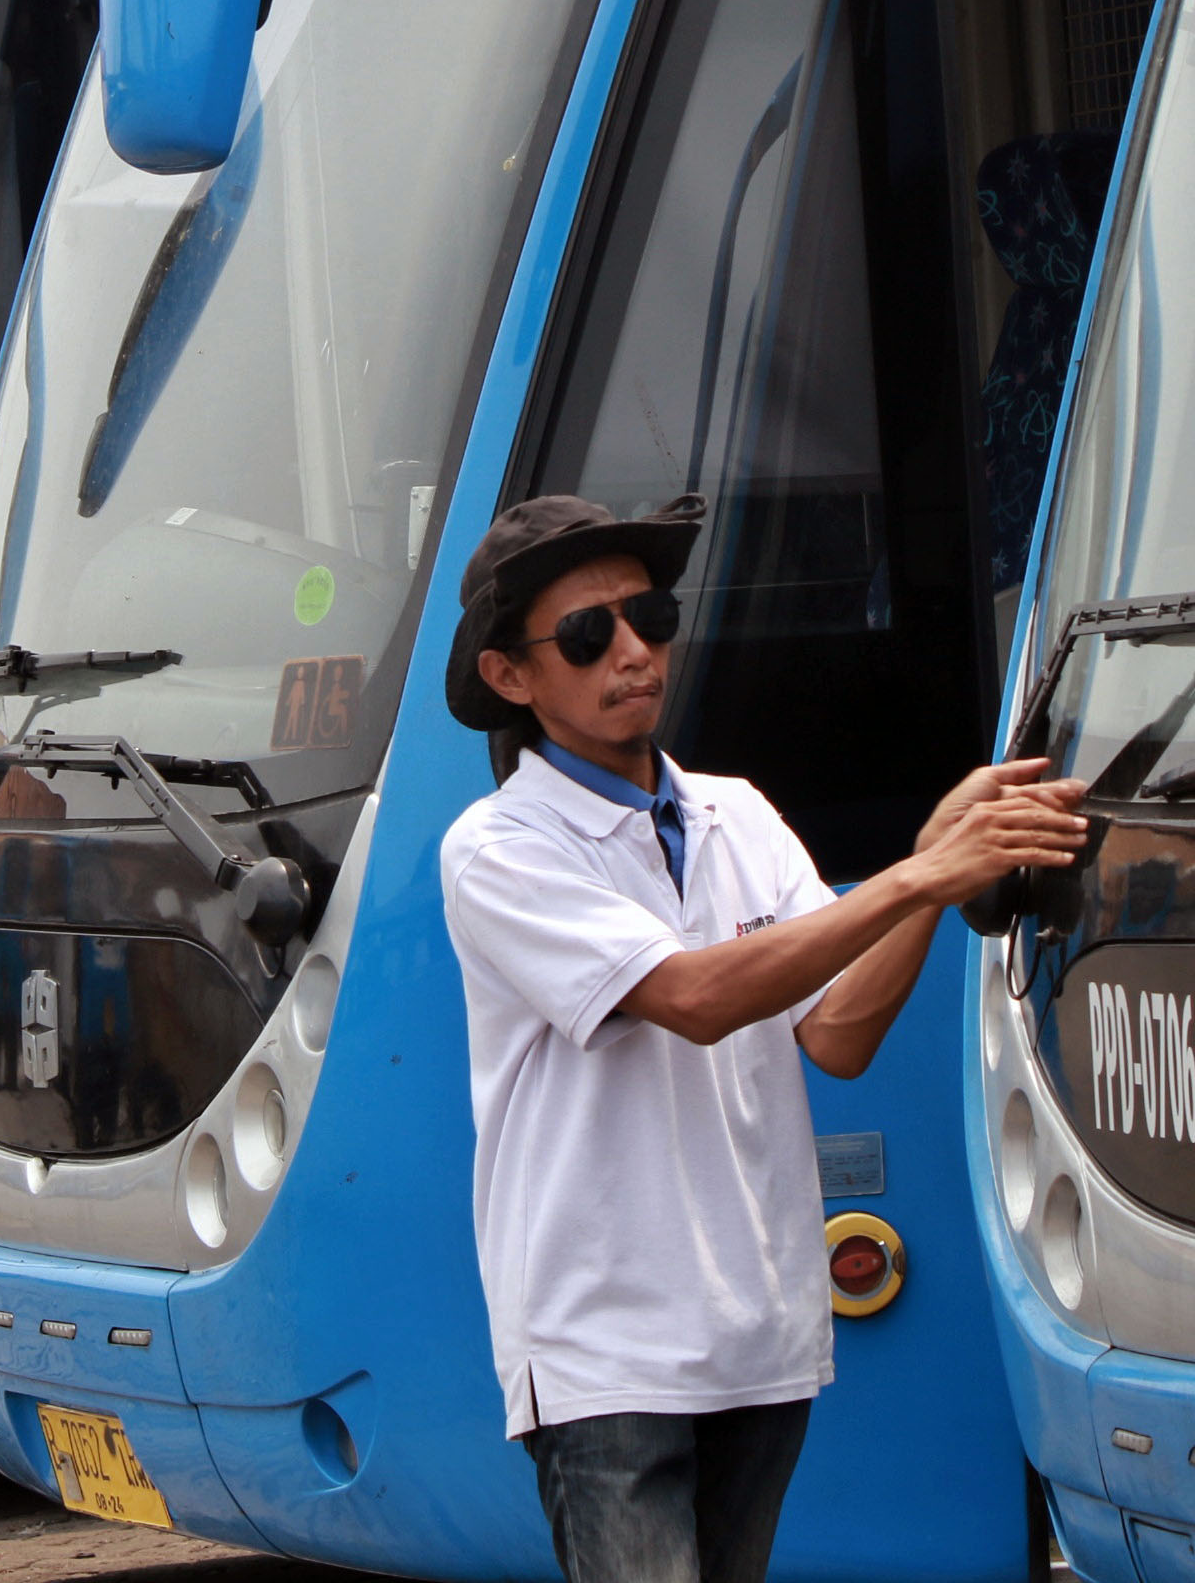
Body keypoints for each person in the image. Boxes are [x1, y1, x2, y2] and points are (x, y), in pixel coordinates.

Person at [435, 491, 1089, 1583]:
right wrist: (922, 871)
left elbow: (835, 1033)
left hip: (759, 1335)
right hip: (604, 1348)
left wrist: (929, 875)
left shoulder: (738, 811)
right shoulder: (498, 846)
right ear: (511, 676)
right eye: (590, 634)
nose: (635, 651)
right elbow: (693, 996)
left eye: (649, 615)